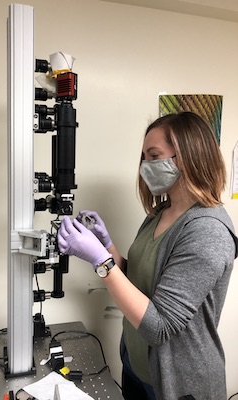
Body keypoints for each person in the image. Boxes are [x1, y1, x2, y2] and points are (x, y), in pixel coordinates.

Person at [57, 111, 238, 400]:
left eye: (154, 156)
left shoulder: (208, 231)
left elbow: (160, 325)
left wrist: (99, 261)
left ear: (189, 156)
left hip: (177, 383)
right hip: (136, 367)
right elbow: (139, 283)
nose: (145, 166)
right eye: (144, 157)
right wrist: (107, 247)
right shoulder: (159, 213)